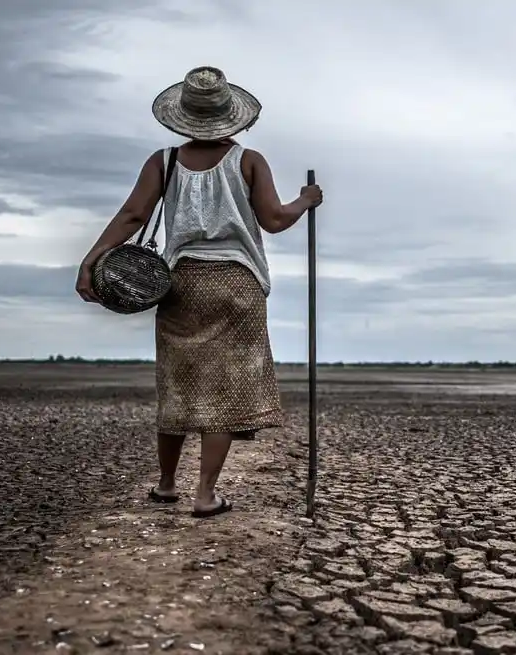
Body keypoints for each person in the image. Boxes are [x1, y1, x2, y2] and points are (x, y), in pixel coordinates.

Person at [75, 66, 323, 518]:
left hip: (180, 282)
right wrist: (305, 201)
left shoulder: (163, 161)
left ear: (183, 116)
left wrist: (92, 259)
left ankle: (167, 484)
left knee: (177, 385)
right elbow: (274, 219)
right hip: (237, 284)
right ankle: (206, 494)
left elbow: (133, 216)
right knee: (224, 392)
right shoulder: (248, 160)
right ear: (233, 116)